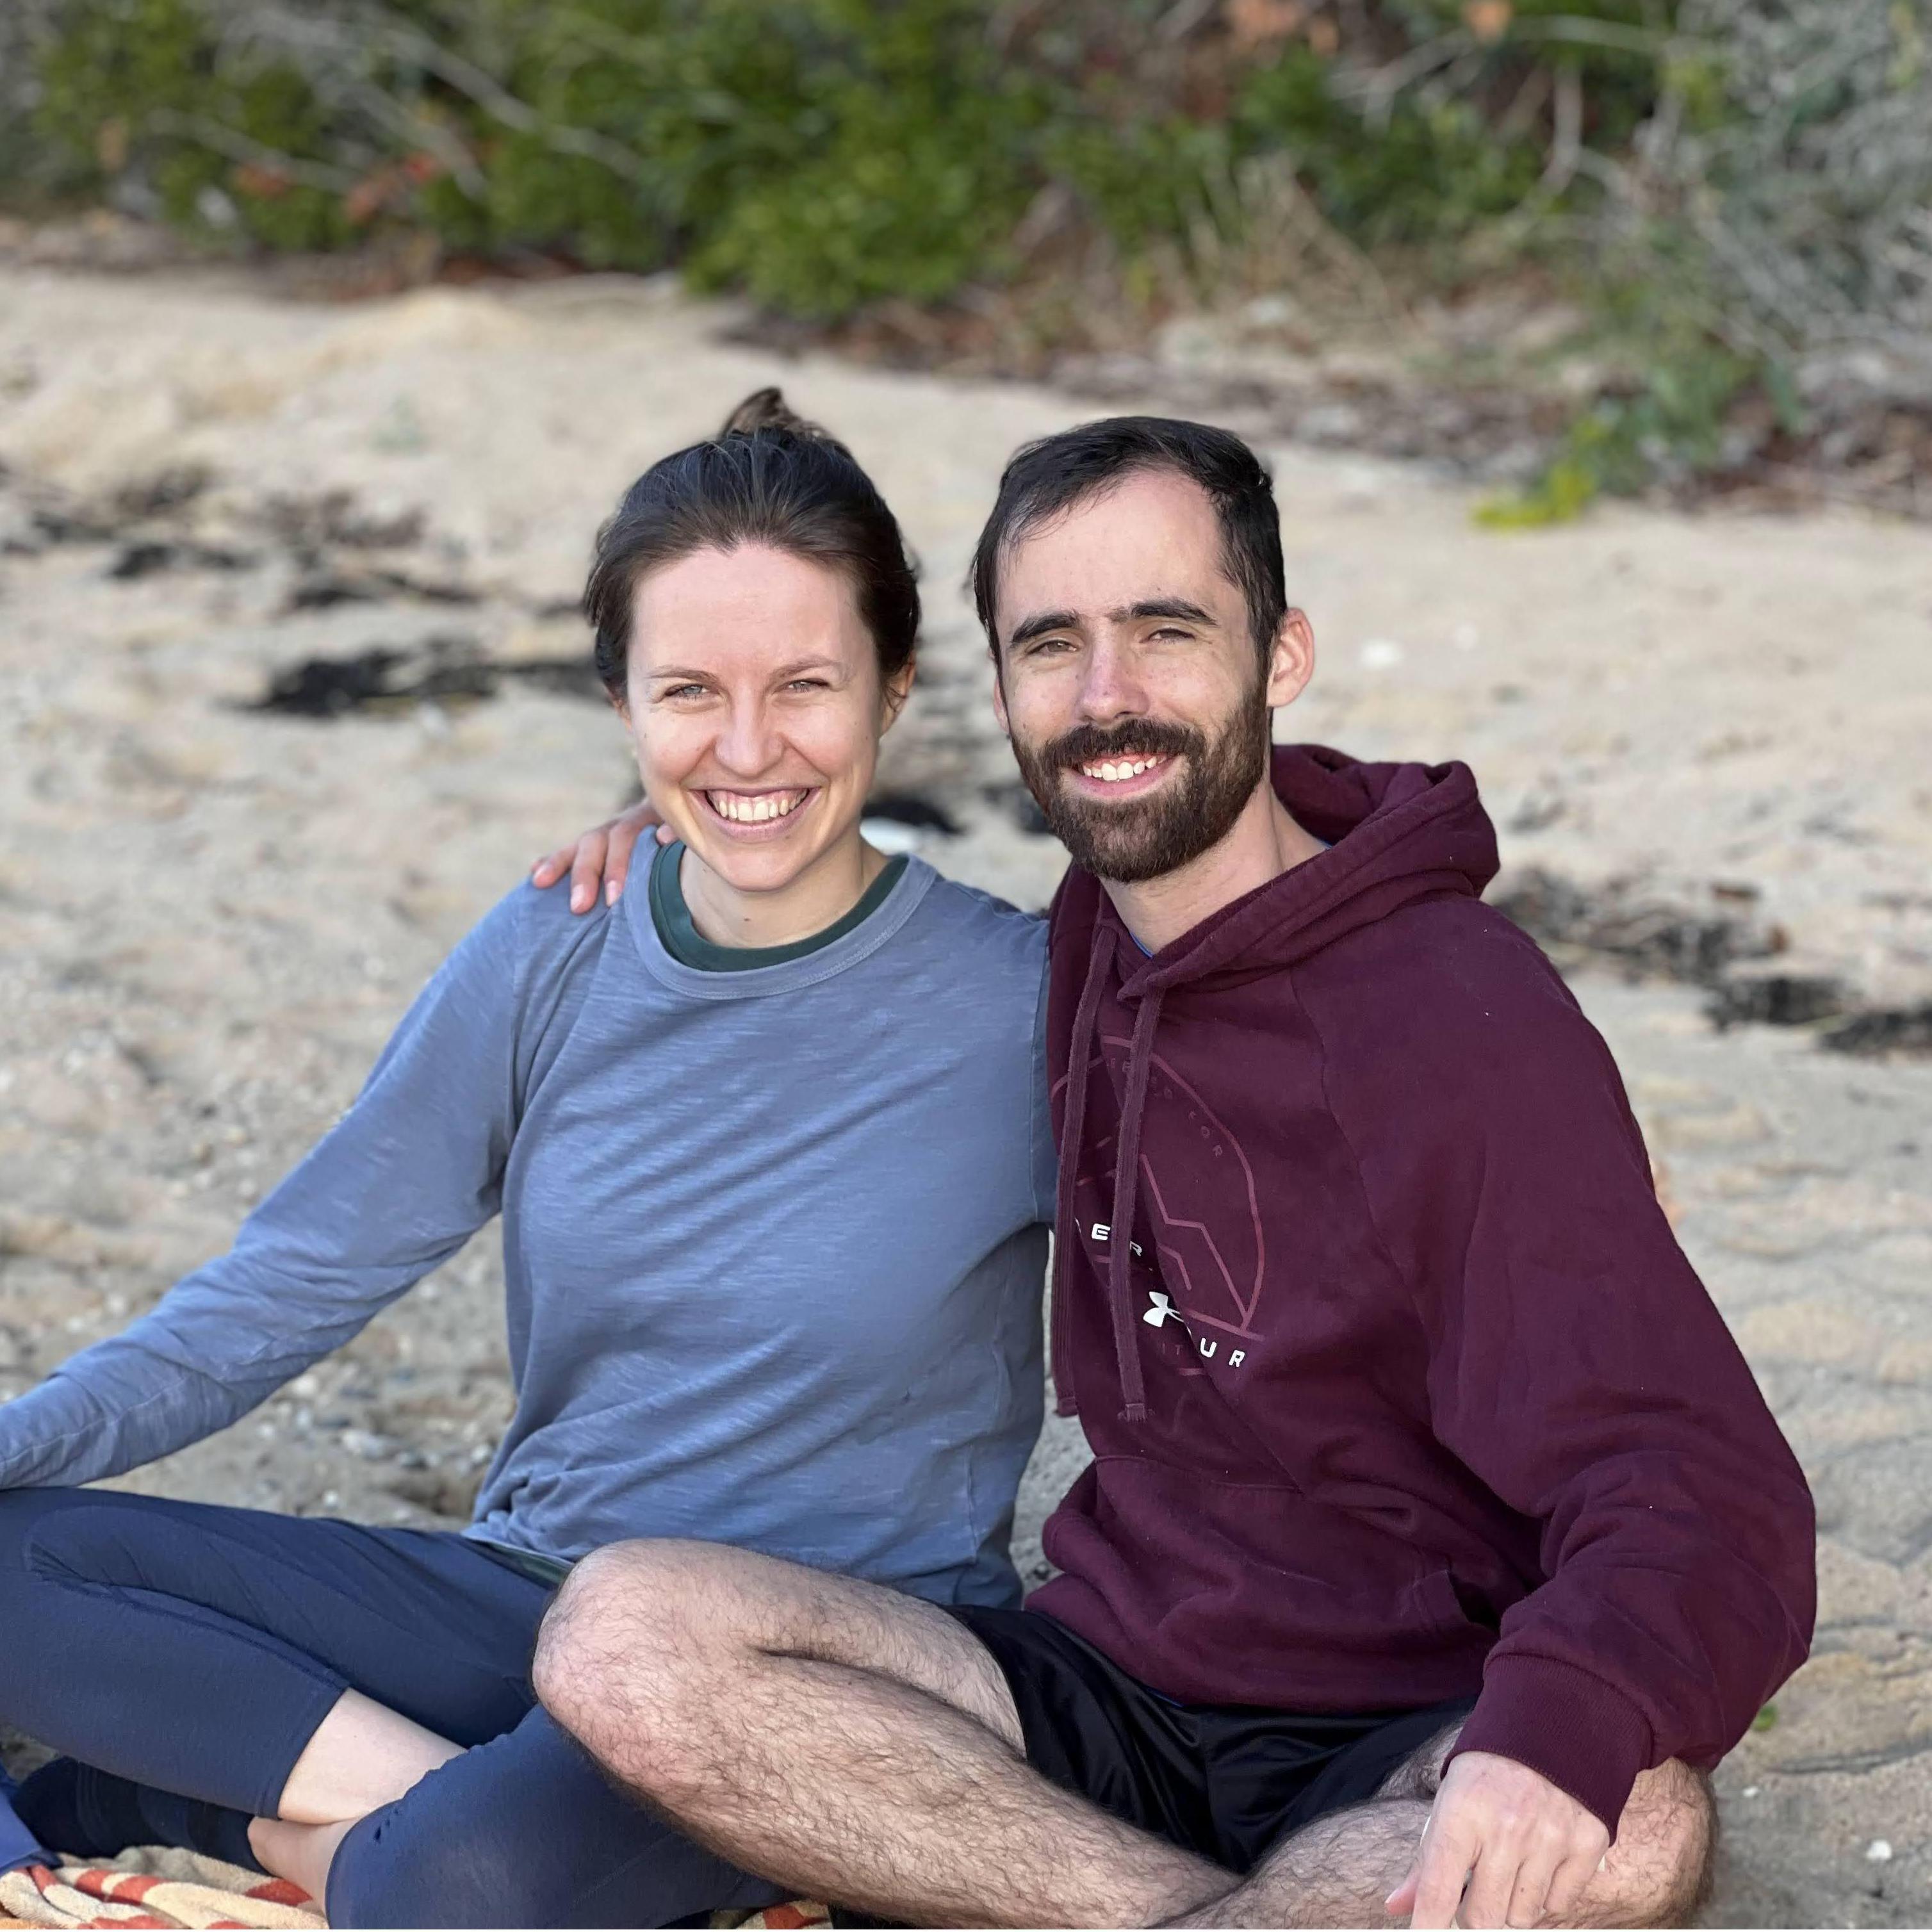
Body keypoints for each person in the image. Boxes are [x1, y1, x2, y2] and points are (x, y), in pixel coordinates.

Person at [532, 416, 1817, 1929]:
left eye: (1162, 630)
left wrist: (1548, 1738)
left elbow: (1703, 1486)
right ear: (998, 688)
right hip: (1109, 1678)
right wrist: (683, 827)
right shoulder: (1086, 928)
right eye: (1050, 645)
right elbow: (853, 929)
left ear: (1278, 655)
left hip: (1399, 1727)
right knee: (620, 1635)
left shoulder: (1456, 1018)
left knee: (1637, 1826)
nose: (1105, 697)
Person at [0, 391, 1056, 1927]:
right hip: (529, 1598)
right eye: (688, 689)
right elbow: (295, 1276)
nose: (746, 746)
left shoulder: (1032, 1002)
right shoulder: (558, 943)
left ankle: (207, 1799)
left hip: (812, 1675)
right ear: (622, 699)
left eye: (804, 686)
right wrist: (18, 1436)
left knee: (461, 1882)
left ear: (894, 687)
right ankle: (381, 1804)